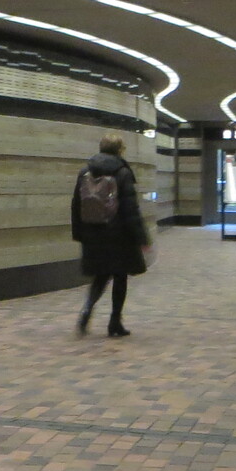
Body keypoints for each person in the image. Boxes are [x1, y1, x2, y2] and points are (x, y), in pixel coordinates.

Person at [70, 132, 152, 337]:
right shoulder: (122, 173)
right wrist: (141, 237)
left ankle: (87, 308)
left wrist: (79, 233)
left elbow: (76, 205)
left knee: (100, 275)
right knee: (119, 277)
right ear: (120, 150)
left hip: (92, 232)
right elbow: (130, 209)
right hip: (118, 234)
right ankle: (115, 322)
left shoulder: (85, 172)